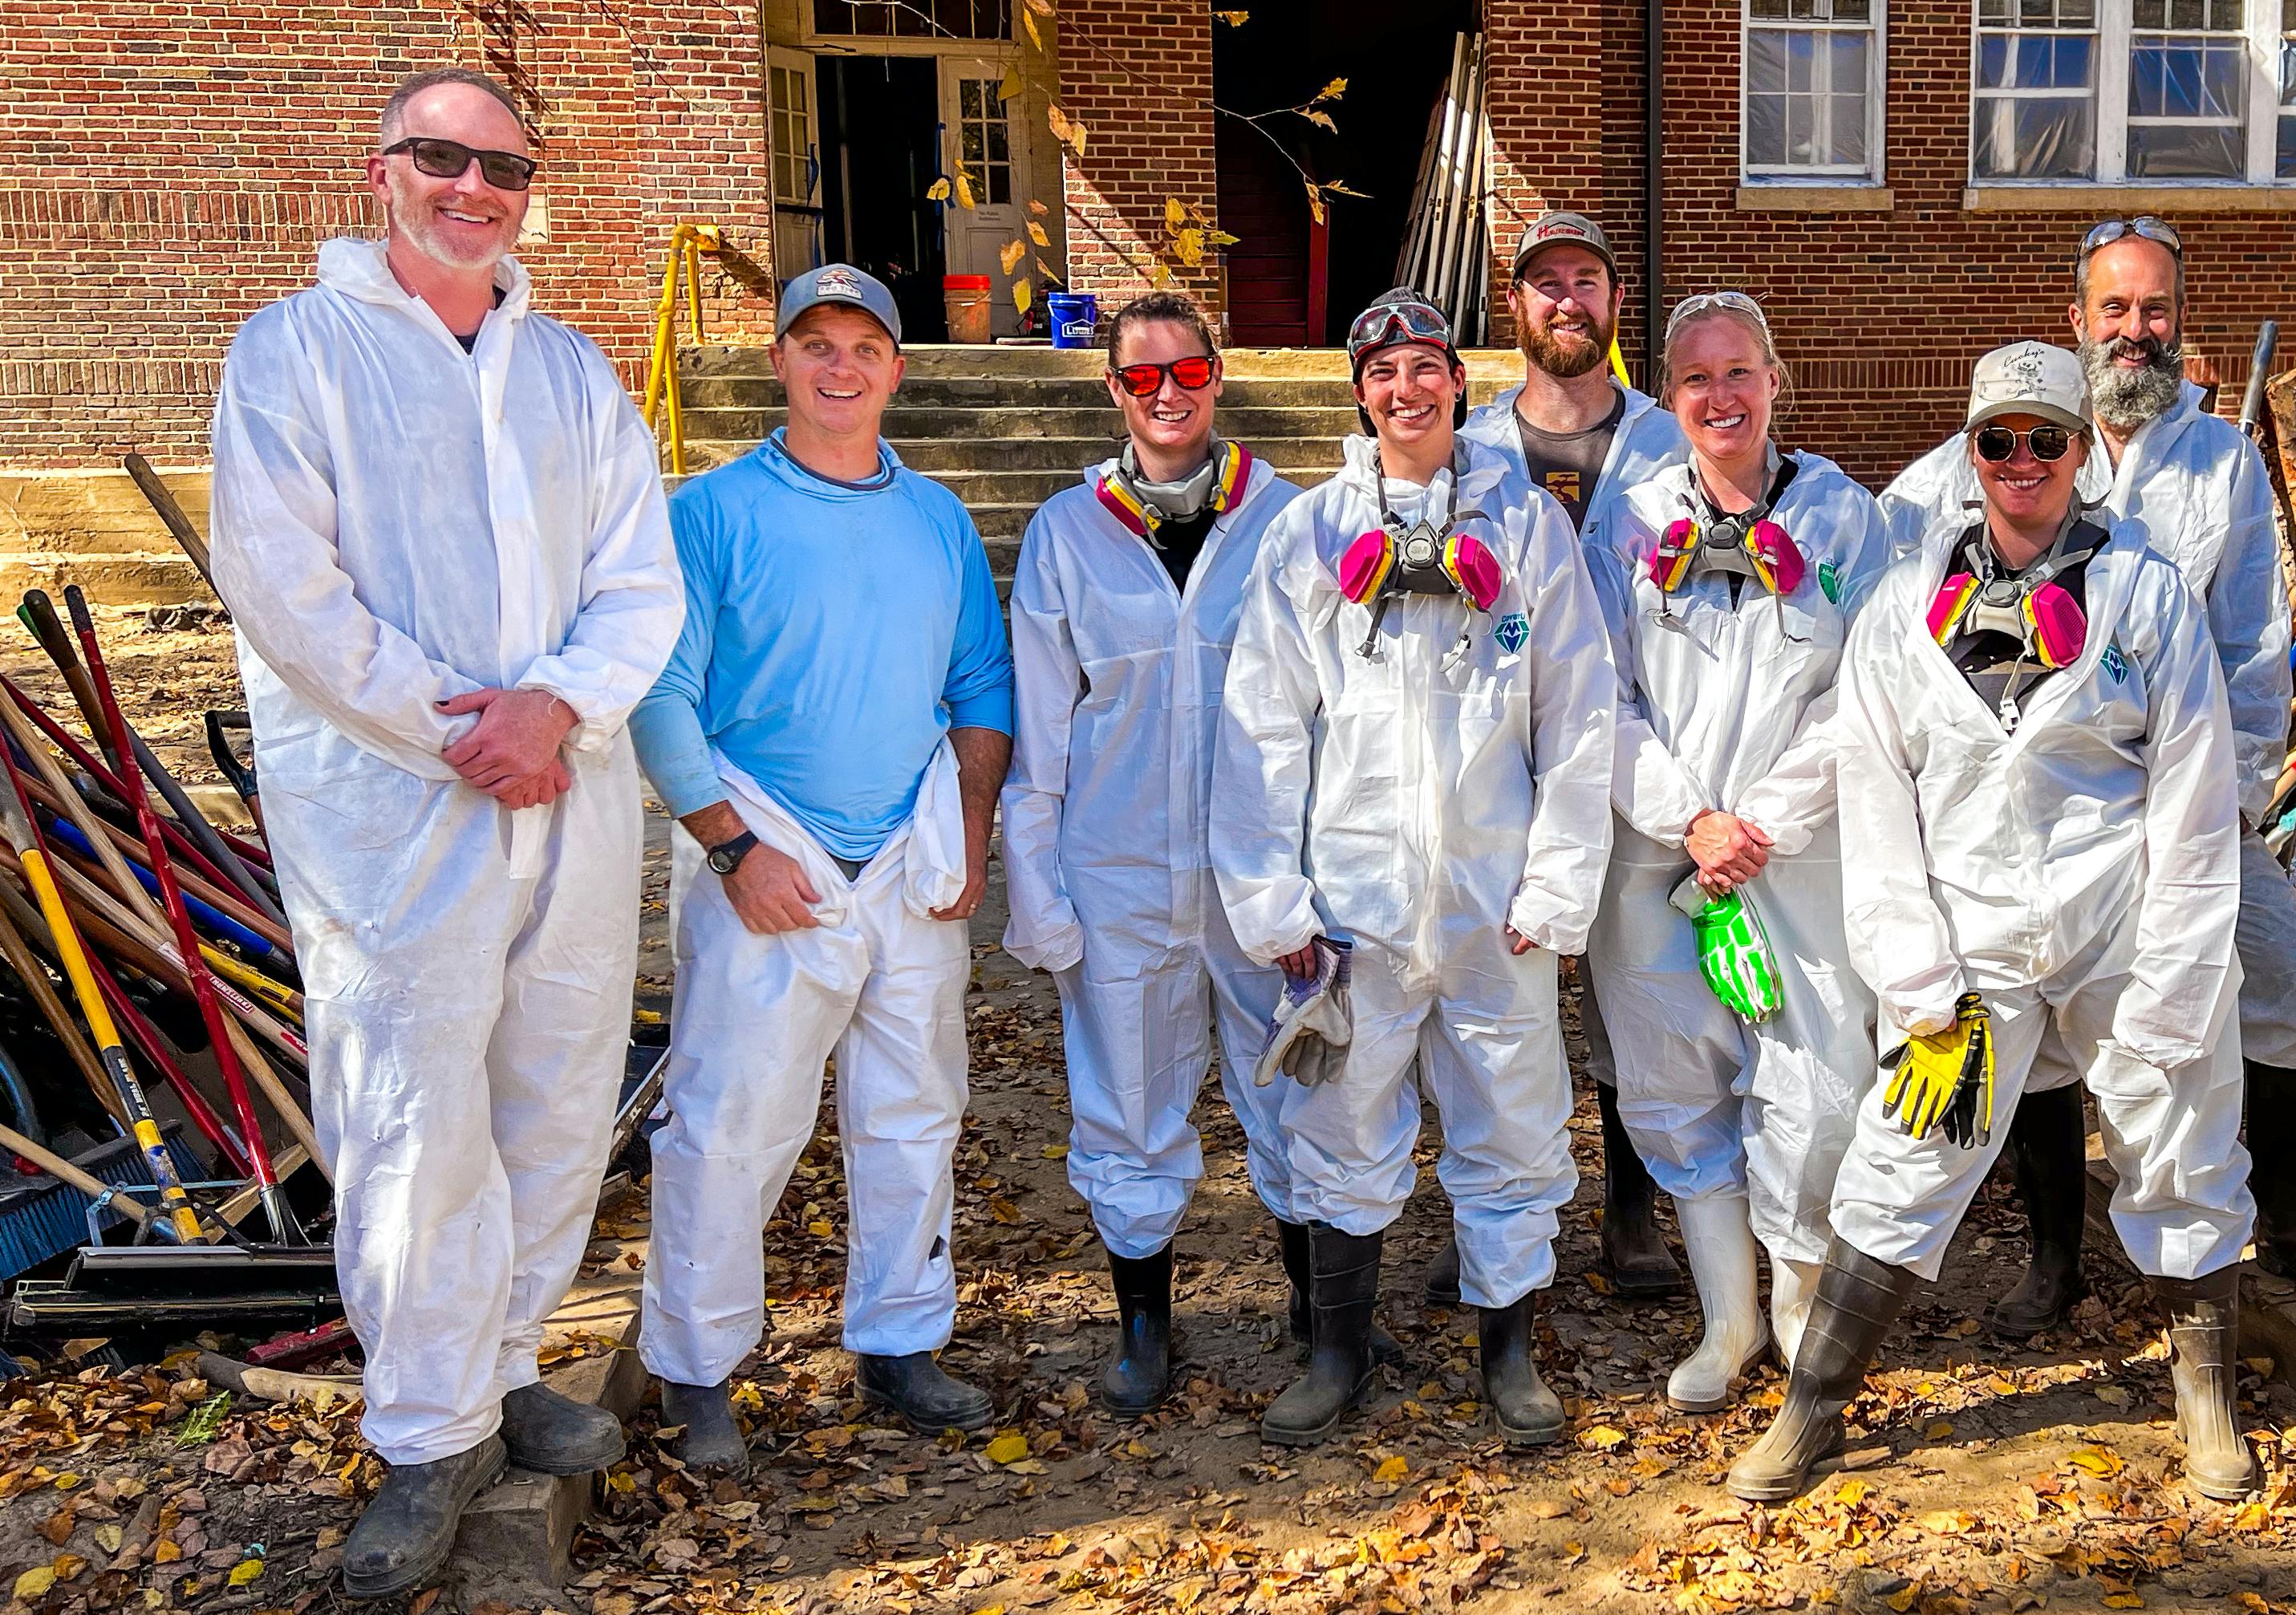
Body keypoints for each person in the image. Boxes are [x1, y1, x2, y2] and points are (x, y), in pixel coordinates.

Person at [207, 67, 683, 1596]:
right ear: (383, 169)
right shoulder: (298, 353)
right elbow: (286, 590)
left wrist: (553, 709)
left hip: (571, 786)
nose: (473, 186)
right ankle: (426, 1431)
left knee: (552, 1086)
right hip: (393, 804)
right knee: (409, 1106)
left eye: (503, 166)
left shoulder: (569, 373)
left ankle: (504, 1363)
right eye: (442, 157)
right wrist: (458, 724)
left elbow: (639, 578)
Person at [1726, 342, 2252, 1504]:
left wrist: (2173, 976)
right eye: (1999, 440)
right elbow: (1873, 798)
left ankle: (2205, 1396)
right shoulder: (1902, 610)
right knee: (1906, 1153)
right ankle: (1812, 1406)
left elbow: (2195, 795)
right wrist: (1912, 975)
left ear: (2080, 454)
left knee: (2180, 1144)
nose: (2023, 461)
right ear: (1969, 453)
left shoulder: (2143, 595)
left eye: (2047, 440)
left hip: (2121, 925)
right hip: (1966, 942)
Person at [1886, 217, 2296, 1330]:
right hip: (2039, 815)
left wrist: (2234, 800)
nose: (2135, 331)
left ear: (2178, 324)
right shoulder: (2004, 441)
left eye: (2154, 310)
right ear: (2076, 322)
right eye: (2114, 309)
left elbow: (2250, 643)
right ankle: (2055, 1257)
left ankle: (2290, 1218)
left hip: (2184, 810)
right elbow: (1881, 547)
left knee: (2293, 992)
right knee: (2039, 1035)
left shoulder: (2221, 462)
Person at [628, 263, 1016, 1470]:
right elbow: (662, 691)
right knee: (730, 1121)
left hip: (906, 848)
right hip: (771, 840)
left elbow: (981, 684)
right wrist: (729, 847)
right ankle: (695, 1367)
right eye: (815, 344)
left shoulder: (937, 517)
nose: (839, 367)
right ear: (779, 360)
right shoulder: (711, 510)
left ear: (896, 368)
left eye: (862, 346)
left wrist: (974, 818)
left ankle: (899, 1337)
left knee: (914, 1112)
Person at [1215, 290, 1617, 1447]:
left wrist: (1555, 881)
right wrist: (1274, 899)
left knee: (1515, 1122)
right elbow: (1262, 725)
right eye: (1384, 372)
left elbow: (1576, 713)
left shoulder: (1528, 526)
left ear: (1456, 379)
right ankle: (1334, 1348)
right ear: (1359, 391)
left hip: (1494, 905)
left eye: (1427, 367)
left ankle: (1508, 1350)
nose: (1407, 390)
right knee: (1342, 1121)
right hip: (1356, 907)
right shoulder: (1308, 532)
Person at [1001, 293, 1305, 1418]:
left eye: (1184, 371)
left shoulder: (1286, 520)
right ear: (1113, 393)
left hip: (1258, 870)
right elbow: (1040, 728)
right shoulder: (1066, 531)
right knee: (1128, 1100)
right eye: (1140, 378)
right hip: (1119, 870)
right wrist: (1036, 881)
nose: (1165, 393)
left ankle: (1317, 1305)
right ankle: (1144, 1319)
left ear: (1217, 375)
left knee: (1293, 1089)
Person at [1580, 292, 1884, 1408]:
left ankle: (1804, 1309)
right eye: (1697, 378)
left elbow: (1873, 688)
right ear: (1669, 396)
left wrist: (1760, 820)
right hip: (1661, 861)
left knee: (1817, 1086)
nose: (1721, 396)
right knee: (1674, 1076)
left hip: (1796, 860)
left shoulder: (1846, 518)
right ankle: (1728, 1318)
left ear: (1774, 379)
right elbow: (1592, 690)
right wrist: (1686, 818)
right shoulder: (1624, 519)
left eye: (1740, 372)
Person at [1461, 211, 1695, 1300]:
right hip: (1503, 764)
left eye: (1586, 280)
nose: (1566, 298)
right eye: (1543, 281)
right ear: (1515, 306)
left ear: (1613, 302)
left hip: (1642, 751)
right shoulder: (1468, 450)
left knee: (1633, 993)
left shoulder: (1672, 439)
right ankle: (1486, 1214)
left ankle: (1629, 1208)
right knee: (1486, 996)